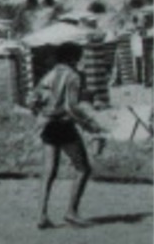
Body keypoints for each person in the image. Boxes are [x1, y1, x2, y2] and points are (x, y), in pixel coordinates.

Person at [31, 41, 107, 229]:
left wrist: (42, 113)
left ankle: (41, 215)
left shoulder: (51, 74)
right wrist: (90, 125)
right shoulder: (73, 76)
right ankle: (71, 212)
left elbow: (33, 98)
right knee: (83, 168)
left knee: (49, 171)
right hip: (64, 125)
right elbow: (71, 106)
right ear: (74, 57)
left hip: (47, 124)